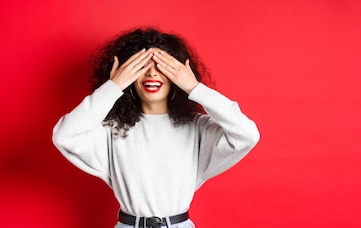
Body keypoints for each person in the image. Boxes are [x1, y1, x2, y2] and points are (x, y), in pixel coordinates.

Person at [52, 27, 260, 228]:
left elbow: (247, 134)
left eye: (162, 66)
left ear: (177, 75)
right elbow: (65, 135)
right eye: (141, 67)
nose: (152, 73)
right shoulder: (112, 129)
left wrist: (194, 88)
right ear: (128, 75)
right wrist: (113, 86)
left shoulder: (197, 128)